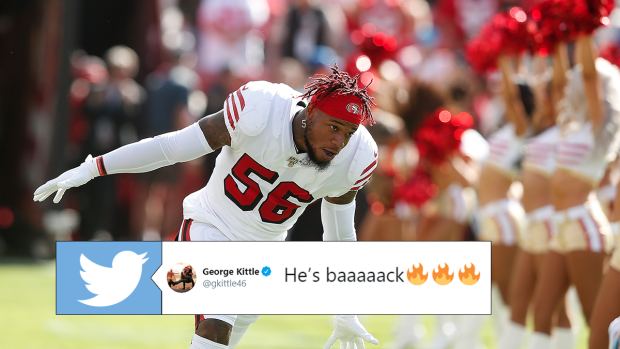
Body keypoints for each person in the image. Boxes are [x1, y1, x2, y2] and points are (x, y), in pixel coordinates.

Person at [33, 65, 379, 349]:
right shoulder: (261, 109)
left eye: (348, 133)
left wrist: (345, 309)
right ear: (310, 113)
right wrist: (93, 167)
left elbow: (340, 236)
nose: (339, 141)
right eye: (334, 127)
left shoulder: (357, 156)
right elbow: (172, 147)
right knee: (217, 324)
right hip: (210, 225)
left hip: (265, 252)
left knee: (218, 342)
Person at [526, 34, 620, 349]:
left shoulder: (599, 127)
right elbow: (558, 84)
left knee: (598, 321)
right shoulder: (571, 124)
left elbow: (590, 74)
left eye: (585, 81)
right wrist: (551, 40)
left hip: (584, 225)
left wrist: (583, 30)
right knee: (541, 312)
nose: (577, 84)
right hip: (561, 226)